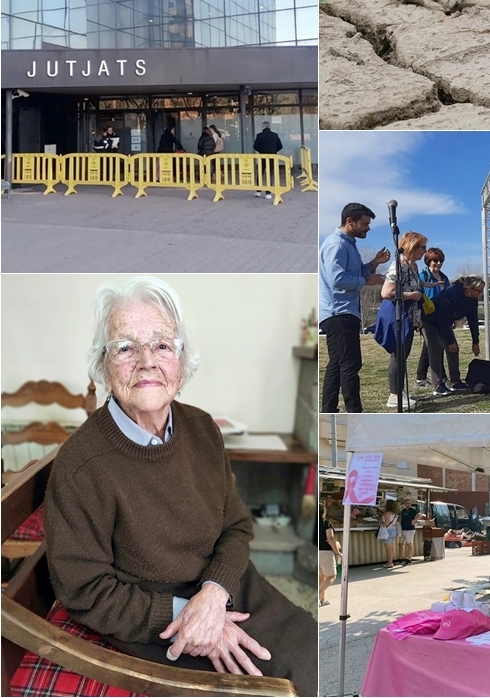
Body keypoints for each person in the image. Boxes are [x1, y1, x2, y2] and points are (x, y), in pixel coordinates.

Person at [43, 277, 316, 692]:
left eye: (162, 345)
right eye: (125, 347)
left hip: (227, 588)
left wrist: (213, 593)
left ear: (181, 361)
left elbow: (236, 526)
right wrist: (189, 615)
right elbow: (83, 589)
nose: (146, 361)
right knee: (271, 687)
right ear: (103, 362)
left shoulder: (202, 428)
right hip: (152, 619)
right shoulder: (81, 464)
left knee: (316, 657)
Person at [319, 203, 390, 413]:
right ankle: (354, 412)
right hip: (338, 313)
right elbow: (337, 279)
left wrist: (374, 263)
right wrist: (366, 281)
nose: (368, 228)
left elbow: (357, 271)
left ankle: (329, 411)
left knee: (337, 364)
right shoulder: (337, 245)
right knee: (350, 365)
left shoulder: (348, 244)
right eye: (365, 224)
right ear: (350, 221)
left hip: (341, 312)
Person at [380, 231, 427, 410]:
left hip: (409, 315)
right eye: (422, 247)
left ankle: (401, 392)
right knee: (398, 355)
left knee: (403, 354)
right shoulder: (398, 266)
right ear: (412, 247)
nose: (425, 251)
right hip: (396, 314)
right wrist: (412, 295)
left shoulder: (413, 266)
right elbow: (386, 293)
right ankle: (394, 395)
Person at [422, 275, 484, 396]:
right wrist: (450, 341)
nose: (481, 293)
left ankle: (455, 382)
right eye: (479, 290)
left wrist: (475, 342)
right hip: (431, 321)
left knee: (453, 350)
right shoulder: (451, 293)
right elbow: (442, 319)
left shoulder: (472, 299)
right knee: (436, 350)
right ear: (470, 289)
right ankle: (438, 385)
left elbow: (473, 320)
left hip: (445, 321)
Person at [415, 248, 450, 388]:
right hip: (427, 317)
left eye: (441, 260)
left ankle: (420, 377)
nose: (438, 263)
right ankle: (442, 377)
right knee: (436, 346)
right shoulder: (423, 276)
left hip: (442, 317)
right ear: (428, 261)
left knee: (430, 347)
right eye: (435, 260)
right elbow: (418, 295)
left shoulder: (444, 278)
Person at [252, 122, 283, 200]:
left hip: (262, 157)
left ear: (263, 127)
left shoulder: (259, 136)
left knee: (260, 173)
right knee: (270, 174)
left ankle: (258, 191)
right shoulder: (275, 135)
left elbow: (255, 146)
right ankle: (268, 193)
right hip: (272, 157)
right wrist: (274, 151)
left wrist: (261, 151)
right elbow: (280, 146)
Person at [319, 504, 342, 607]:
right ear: (324, 512)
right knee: (331, 576)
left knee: (321, 577)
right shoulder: (326, 523)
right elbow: (330, 538)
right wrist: (337, 552)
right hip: (324, 552)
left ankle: (322, 600)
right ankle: (317, 595)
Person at [399, 496, 425, 566]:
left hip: (410, 529)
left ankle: (409, 559)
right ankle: (400, 558)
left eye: (409, 503)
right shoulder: (403, 511)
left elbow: (420, 515)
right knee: (401, 544)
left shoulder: (412, 510)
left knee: (409, 544)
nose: (408, 504)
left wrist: (414, 520)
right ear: (405, 504)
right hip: (403, 528)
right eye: (407, 503)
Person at [380, 500, 400, 569]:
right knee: (391, 548)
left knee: (388, 549)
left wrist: (381, 524)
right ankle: (390, 562)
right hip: (393, 530)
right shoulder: (394, 514)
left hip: (387, 531)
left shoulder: (387, 513)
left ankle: (390, 563)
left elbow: (386, 524)